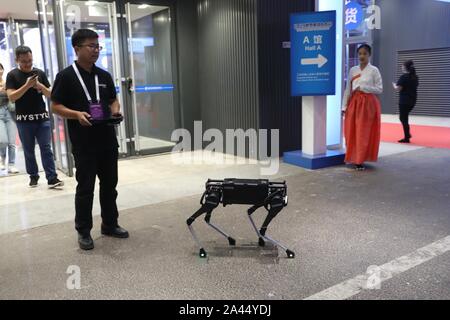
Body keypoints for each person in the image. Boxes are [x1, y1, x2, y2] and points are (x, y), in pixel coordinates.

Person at [51, 29, 128, 251]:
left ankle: (110, 224)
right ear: (76, 48)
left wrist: (115, 111)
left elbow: (113, 100)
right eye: (91, 46)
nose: (96, 50)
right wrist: (76, 114)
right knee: (85, 188)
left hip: (106, 140)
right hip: (84, 143)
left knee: (110, 186)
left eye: (98, 46)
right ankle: (83, 231)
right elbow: (55, 106)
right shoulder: (65, 77)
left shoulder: (103, 76)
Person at [6, 46, 63, 187]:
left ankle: (52, 177)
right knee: (29, 150)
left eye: (30, 60)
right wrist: (27, 86)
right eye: (24, 61)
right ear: (17, 60)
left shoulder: (40, 73)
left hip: (42, 118)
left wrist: (39, 85)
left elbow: (51, 94)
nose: (28, 64)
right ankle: (33, 176)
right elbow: (12, 97)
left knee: (46, 148)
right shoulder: (12, 75)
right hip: (24, 121)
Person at [342, 44, 383, 171]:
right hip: (354, 104)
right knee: (351, 131)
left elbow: (379, 89)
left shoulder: (374, 70)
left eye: (364, 53)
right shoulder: (353, 70)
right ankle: (354, 157)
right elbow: (348, 89)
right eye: (359, 53)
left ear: (369, 55)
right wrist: (344, 106)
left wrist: (364, 88)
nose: (362, 56)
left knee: (363, 132)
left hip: (368, 105)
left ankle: (360, 159)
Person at [393, 60, 419, 143]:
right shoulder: (415, 77)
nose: (401, 67)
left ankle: (407, 137)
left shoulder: (404, 77)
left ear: (405, 67)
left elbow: (398, 88)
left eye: (402, 65)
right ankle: (407, 135)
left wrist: (394, 86)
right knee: (404, 117)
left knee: (403, 118)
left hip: (404, 101)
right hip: (412, 100)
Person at [0, 63, 19, 174]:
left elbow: (13, 95)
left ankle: (12, 164)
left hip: (10, 112)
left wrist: (6, 90)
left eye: (1, 68)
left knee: (12, 141)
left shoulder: (7, 83)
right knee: (3, 140)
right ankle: (2, 158)